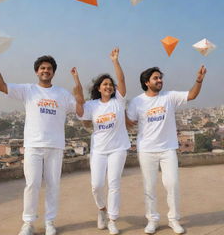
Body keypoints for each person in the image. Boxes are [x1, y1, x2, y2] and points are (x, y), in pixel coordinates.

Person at [0, 50, 84, 235]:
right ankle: (28, 223)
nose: (45, 71)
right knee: (32, 184)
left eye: (49, 68)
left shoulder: (62, 94)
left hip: (55, 146)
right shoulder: (28, 90)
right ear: (37, 71)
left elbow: (79, 110)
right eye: (42, 68)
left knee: (53, 185)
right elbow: (1, 86)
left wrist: (77, 84)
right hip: (33, 145)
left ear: (53, 72)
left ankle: (50, 221)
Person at [127, 66, 206, 234]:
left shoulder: (169, 97)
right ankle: (152, 220)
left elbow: (191, 95)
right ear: (147, 82)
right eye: (155, 78)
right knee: (149, 187)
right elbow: (130, 122)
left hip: (168, 149)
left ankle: (173, 219)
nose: (159, 80)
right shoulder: (137, 101)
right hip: (147, 150)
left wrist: (199, 80)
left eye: (160, 77)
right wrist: (119, 109)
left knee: (172, 184)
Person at [77, 48, 131, 235]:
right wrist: (76, 84)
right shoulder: (92, 105)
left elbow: (122, 81)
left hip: (118, 149)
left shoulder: (119, 102)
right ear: (98, 88)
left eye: (110, 84)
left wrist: (115, 61)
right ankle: (102, 210)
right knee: (97, 185)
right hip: (99, 150)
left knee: (114, 183)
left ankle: (113, 220)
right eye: (104, 84)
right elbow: (84, 119)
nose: (108, 86)